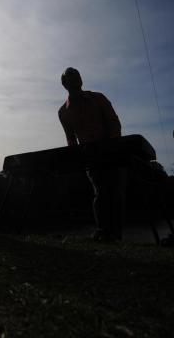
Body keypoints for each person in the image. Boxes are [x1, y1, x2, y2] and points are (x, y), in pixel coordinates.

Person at [58, 67, 122, 240]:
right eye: (70, 77)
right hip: (89, 156)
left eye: (77, 76)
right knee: (100, 190)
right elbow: (70, 138)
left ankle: (115, 233)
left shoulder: (98, 98)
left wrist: (113, 146)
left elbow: (114, 123)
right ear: (64, 84)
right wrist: (77, 159)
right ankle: (103, 230)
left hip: (110, 151)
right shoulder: (63, 112)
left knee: (113, 190)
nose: (75, 79)